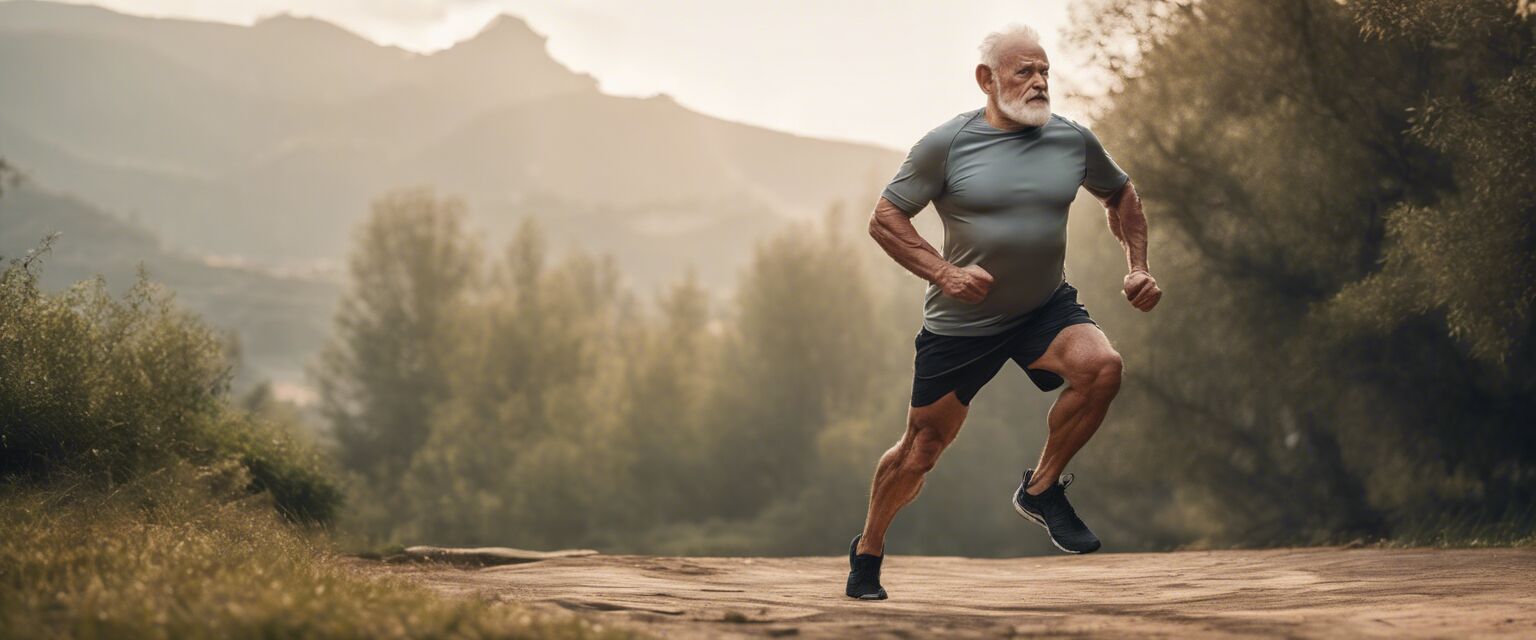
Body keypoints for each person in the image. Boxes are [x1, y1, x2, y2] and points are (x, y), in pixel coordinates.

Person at [846, 23, 1161, 600]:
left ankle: (1041, 490)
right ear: (987, 80)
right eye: (1026, 72)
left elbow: (1121, 194)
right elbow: (884, 220)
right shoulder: (946, 144)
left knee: (1102, 368)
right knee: (921, 449)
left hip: (1043, 306)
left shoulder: (1072, 140)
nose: (1040, 82)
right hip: (962, 323)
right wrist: (945, 273)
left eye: (1046, 72)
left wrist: (1137, 264)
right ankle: (868, 551)